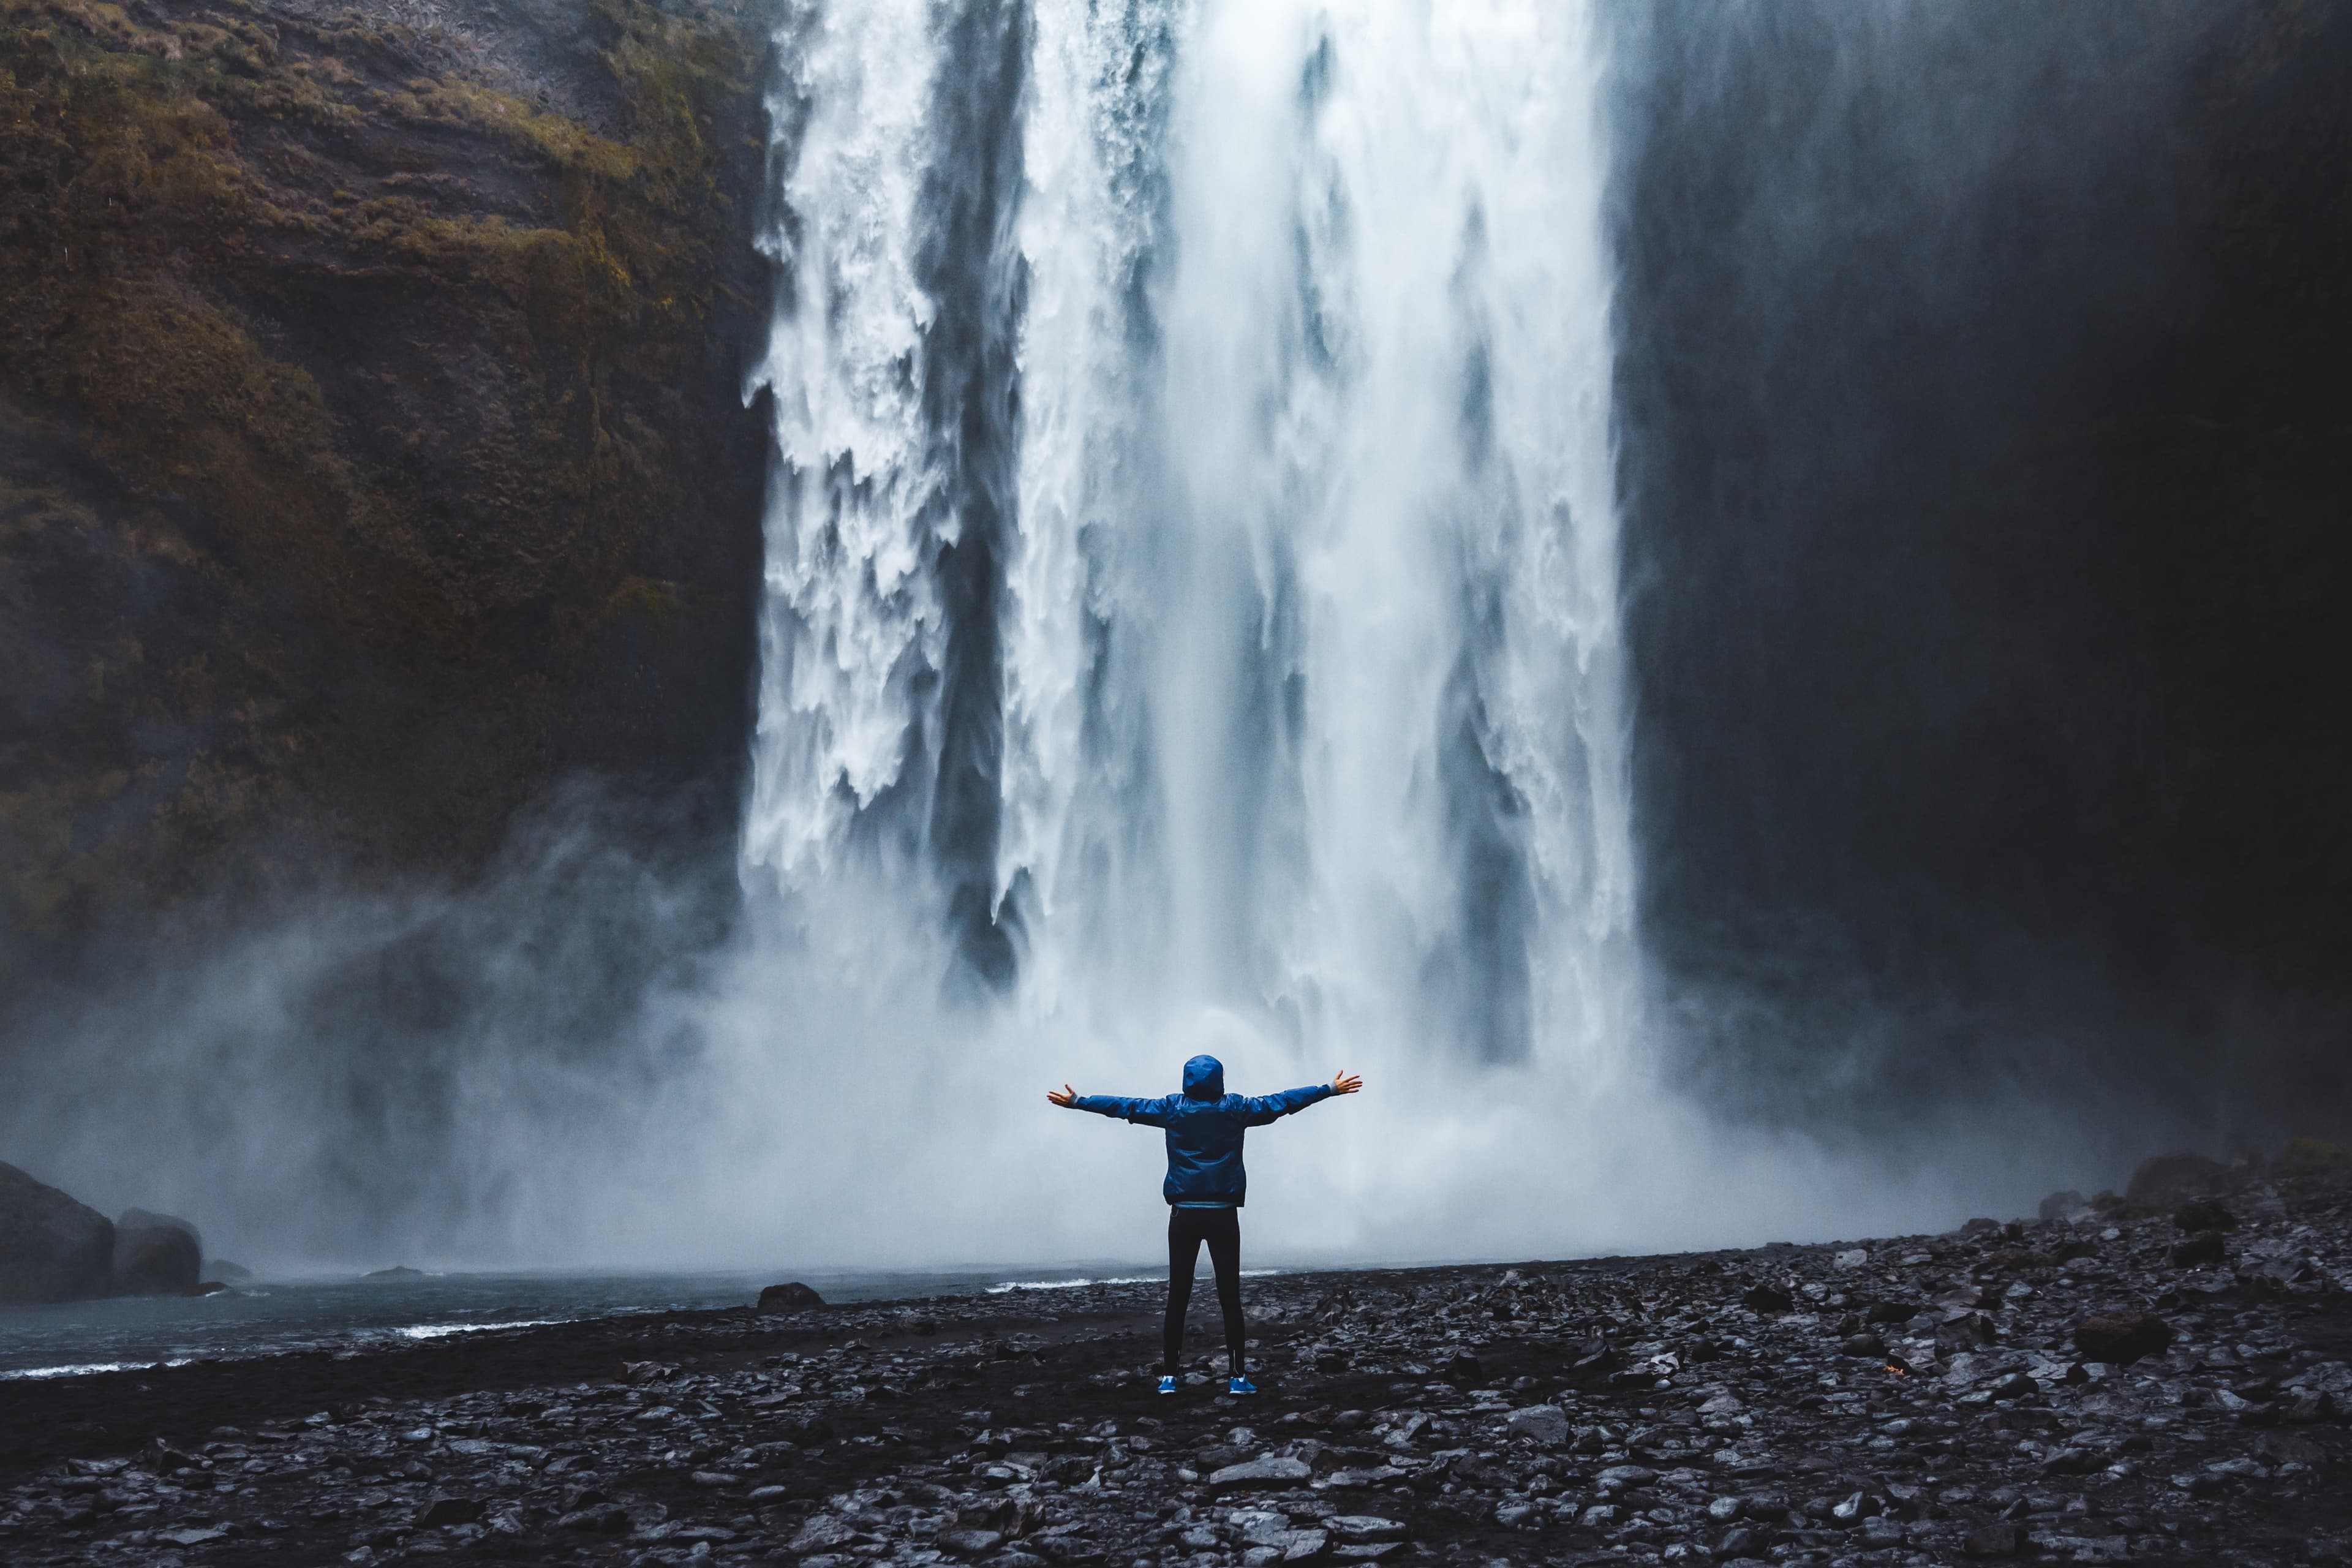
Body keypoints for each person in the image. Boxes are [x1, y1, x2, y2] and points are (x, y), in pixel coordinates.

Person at [1049, 1055, 1362, 1395]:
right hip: (1223, 1214)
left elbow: (1128, 1107)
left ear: (1187, 1080)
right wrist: (1328, 1090)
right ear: (1220, 1080)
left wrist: (1080, 1102)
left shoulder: (1172, 1108)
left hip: (1184, 1214)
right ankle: (1237, 1378)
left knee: (1178, 1297)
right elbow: (1282, 1102)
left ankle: (1170, 1378)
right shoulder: (1235, 1109)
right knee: (1230, 1298)